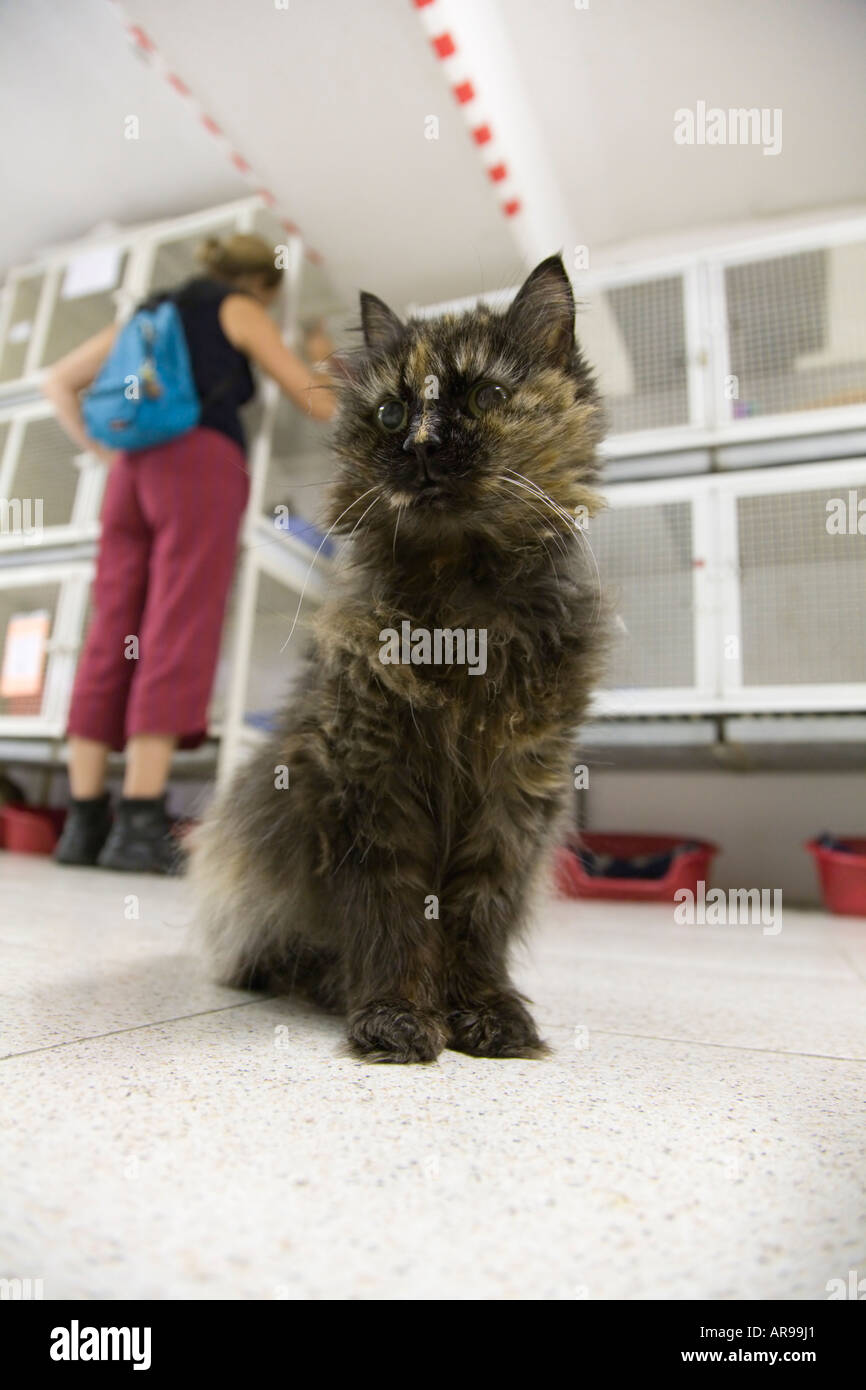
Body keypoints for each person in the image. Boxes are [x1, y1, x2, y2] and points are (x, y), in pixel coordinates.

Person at [41, 233, 336, 873]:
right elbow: (318, 402)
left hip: (130, 476)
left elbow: (57, 382)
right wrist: (321, 355)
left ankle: (82, 826)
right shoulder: (239, 307)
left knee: (112, 634)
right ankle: (139, 824)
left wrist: (105, 455)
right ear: (263, 284)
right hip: (200, 464)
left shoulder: (147, 314)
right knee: (177, 628)